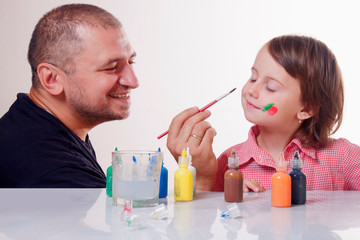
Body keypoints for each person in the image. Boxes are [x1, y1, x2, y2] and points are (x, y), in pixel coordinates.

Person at [167, 35, 360, 192]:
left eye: (271, 87)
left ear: (306, 109)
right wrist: (228, 198)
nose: (252, 90)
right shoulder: (228, 163)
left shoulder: (342, 157)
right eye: (253, 78)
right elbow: (208, 225)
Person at [0, 4, 138, 187]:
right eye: (111, 67)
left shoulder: (26, 119)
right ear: (52, 79)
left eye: (131, 61)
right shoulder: (58, 175)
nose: (133, 81)